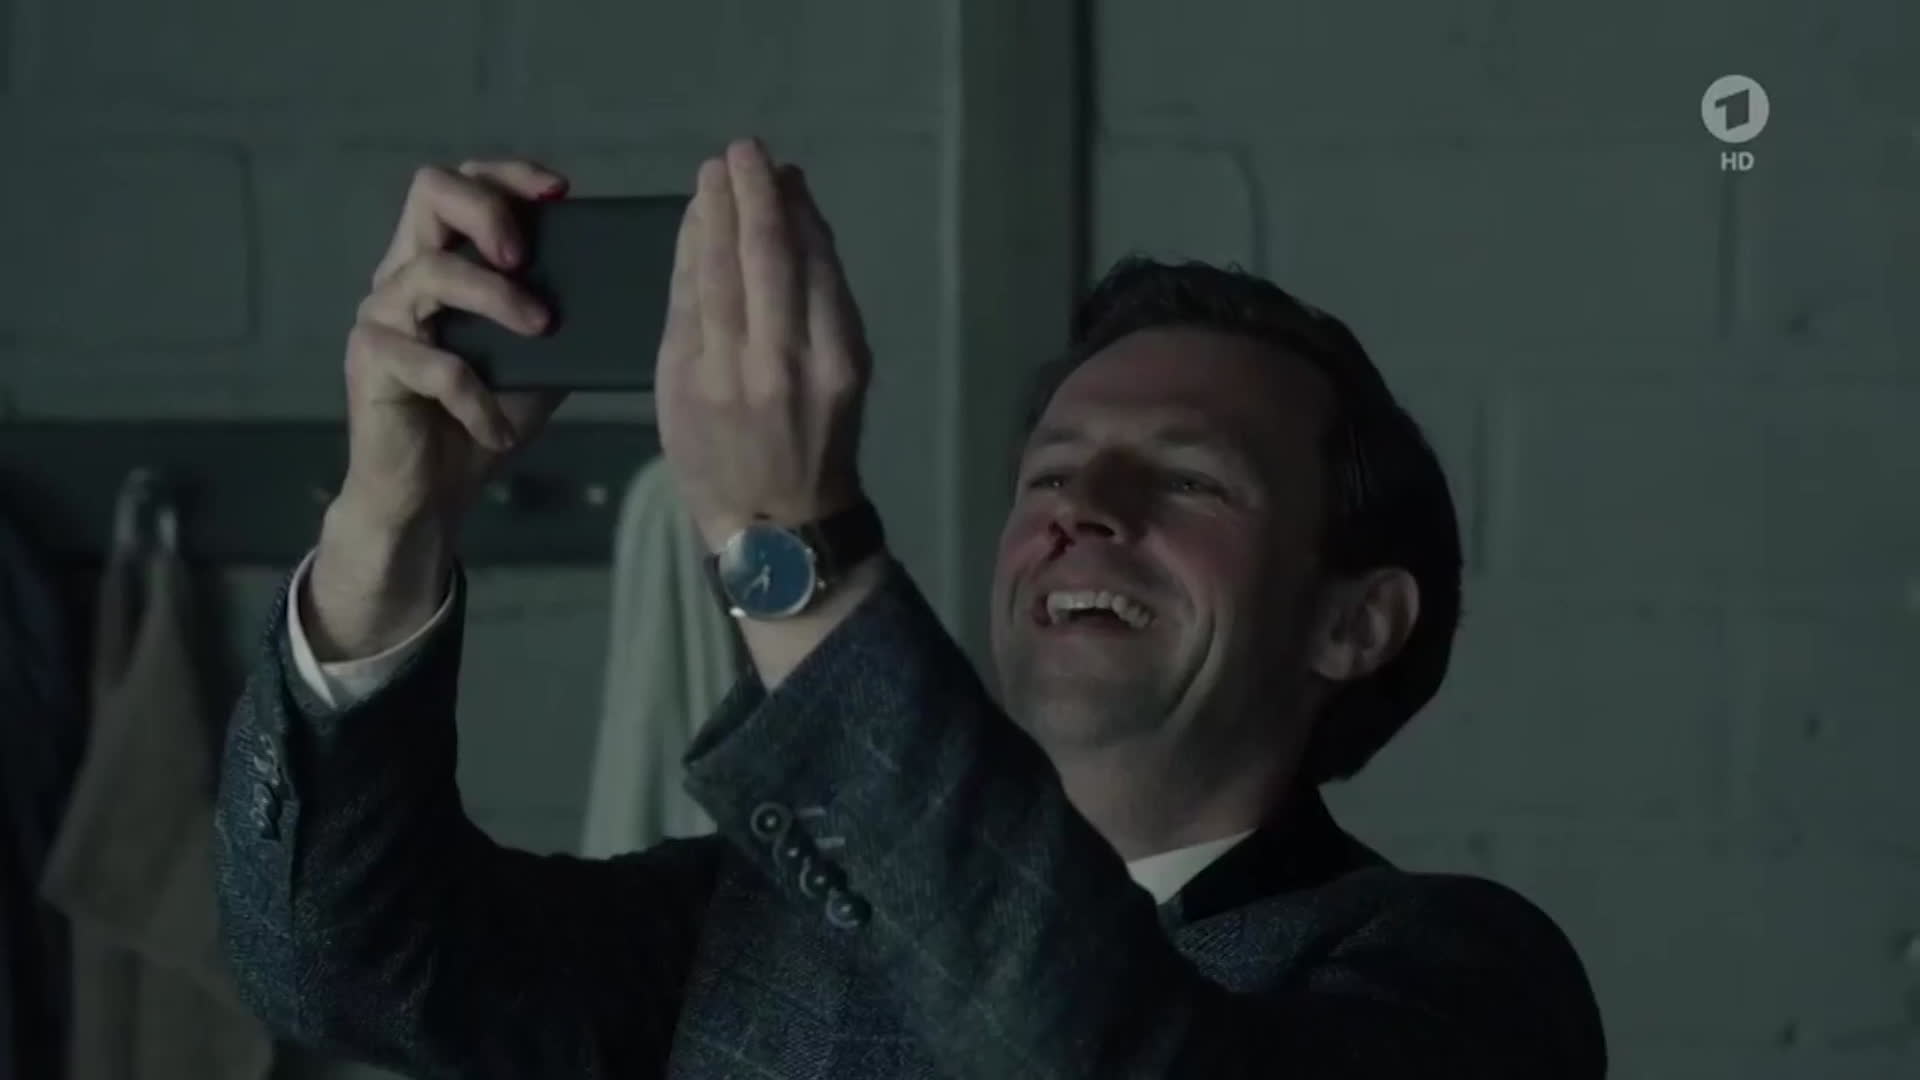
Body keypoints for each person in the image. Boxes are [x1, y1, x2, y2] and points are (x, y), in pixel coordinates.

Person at [213, 138, 1607, 1078]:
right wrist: (386, 525)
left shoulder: (1468, 980)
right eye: (1049, 473)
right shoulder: (741, 929)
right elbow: (338, 967)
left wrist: (791, 550)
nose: (1082, 508)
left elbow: (1101, 1038)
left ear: (1356, 622)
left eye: (1188, 480)